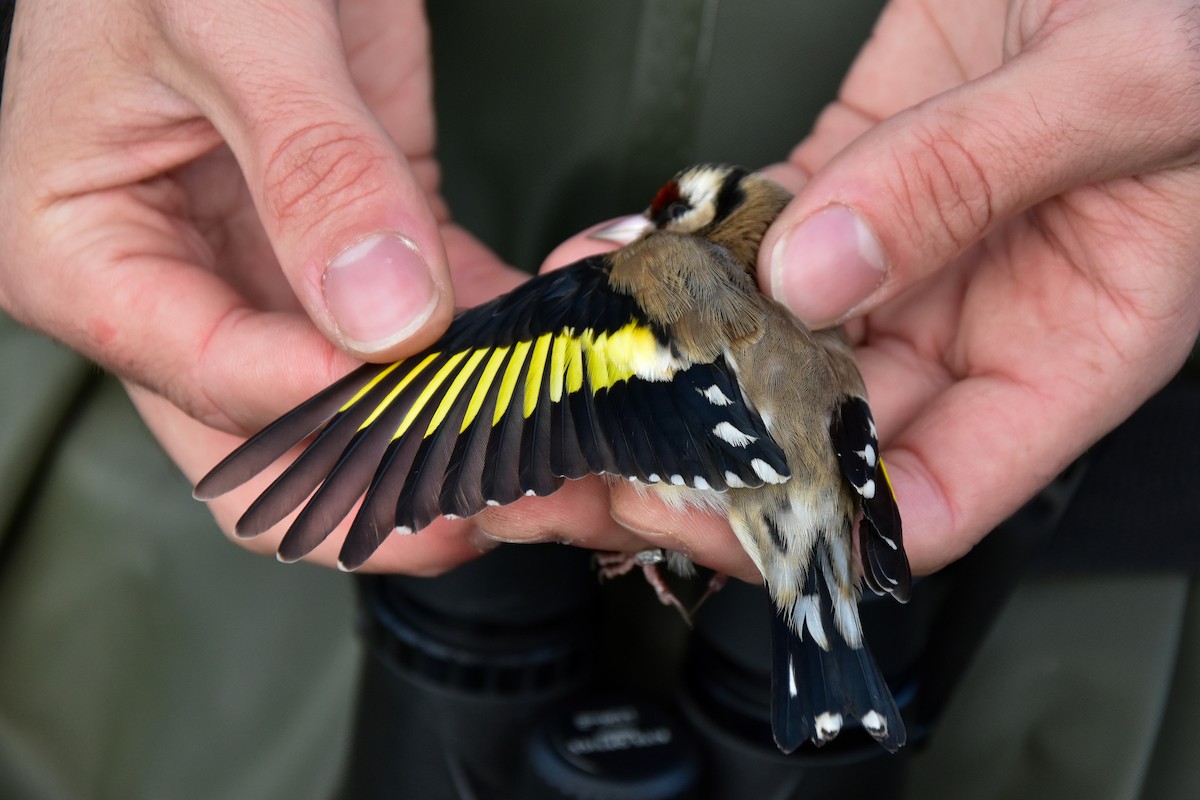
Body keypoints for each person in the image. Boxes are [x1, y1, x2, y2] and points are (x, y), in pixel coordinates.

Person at [1, 0, 1198, 797]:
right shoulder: (824, 329)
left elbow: (520, 386)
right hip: (847, 505)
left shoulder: (643, 280)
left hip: (1100, 538)